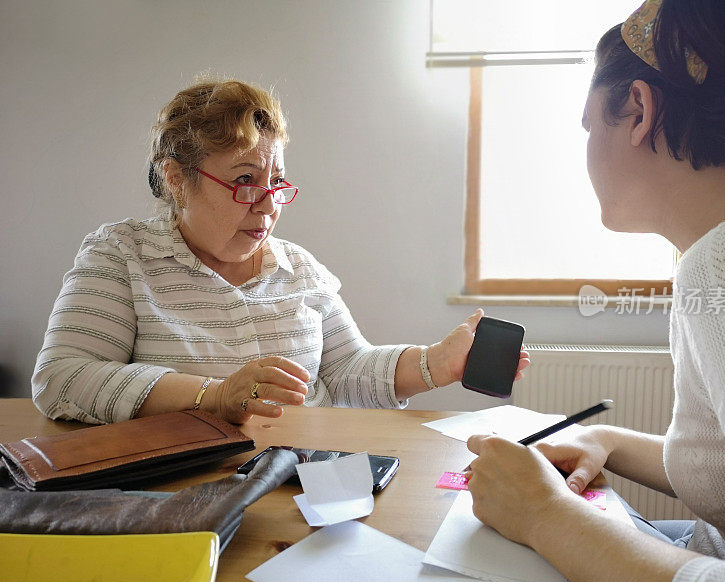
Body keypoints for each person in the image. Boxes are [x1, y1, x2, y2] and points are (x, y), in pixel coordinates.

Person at [465, 0, 725, 582]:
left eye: (591, 125)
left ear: (640, 109)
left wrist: (544, 514)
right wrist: (607, 441)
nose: (589, 148)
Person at [32, 78, 530, 425]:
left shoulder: (299, 269)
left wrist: (434, 364)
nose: (268, 205)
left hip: (301, 482)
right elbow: (61, 379)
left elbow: (345, 372)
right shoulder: (121, 255)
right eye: (244, 181)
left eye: (276, 181)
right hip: (178, 495)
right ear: (176, 178)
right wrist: (213, 396)